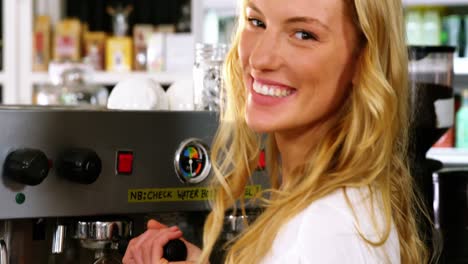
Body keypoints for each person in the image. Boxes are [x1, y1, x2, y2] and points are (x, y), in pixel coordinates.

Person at [123, 0, 429, 263]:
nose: (259, 59)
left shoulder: (323, 228)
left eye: (303, 34)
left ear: (363, 61)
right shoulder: (338, 207)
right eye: (256, 21)